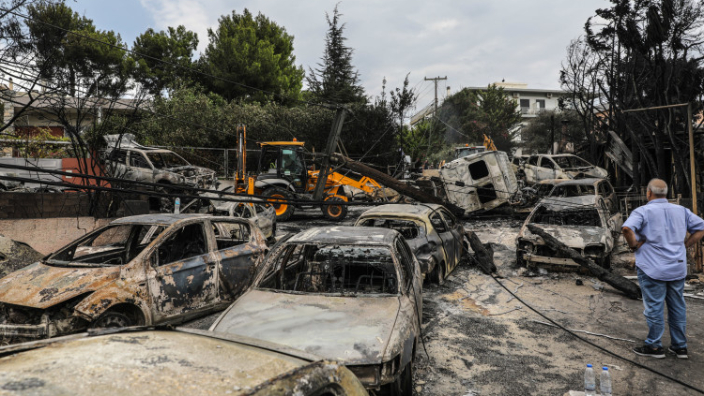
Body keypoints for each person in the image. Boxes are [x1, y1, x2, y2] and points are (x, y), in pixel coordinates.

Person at [622, 178, 704, 359]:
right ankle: (680, 347)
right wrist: (686, 245)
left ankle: (654, 347)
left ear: (649, 193)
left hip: (652, 268)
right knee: (677, 306)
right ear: (666, 194)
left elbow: (627, 229)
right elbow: (701, 228)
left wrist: (634, 246)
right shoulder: (681, 210)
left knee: (654, 307)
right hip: (676, 267)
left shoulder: (643, 211)